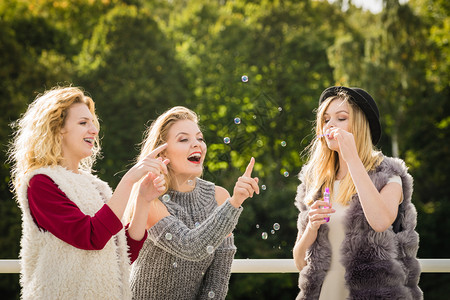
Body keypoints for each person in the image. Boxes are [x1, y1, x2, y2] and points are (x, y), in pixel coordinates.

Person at [8, 86, 169, 300]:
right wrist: (129, 179)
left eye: (93, 122)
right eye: (83, 123)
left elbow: (122, 253)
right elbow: (91, 237)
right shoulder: (41, 183)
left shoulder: (97, 186)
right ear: (57, 129)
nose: (94, 130)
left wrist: (142, 199)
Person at [292, 86, 423, 299]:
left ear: (361, 127)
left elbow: (380, 222)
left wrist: (351, 157)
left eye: (341, 118)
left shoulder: (388, 174)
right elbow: (300, 262)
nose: (331, 125)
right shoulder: (316, 182)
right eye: (326, 120)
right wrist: (311, 229)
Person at [124, 106, 259, 300]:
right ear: (162, 154)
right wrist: (235, 202)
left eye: (200, 138)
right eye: (184, 139)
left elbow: (218, 276)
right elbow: (190, 246)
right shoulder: (149, 198)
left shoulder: (220, 197)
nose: (197, 144)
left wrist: (231, 202)